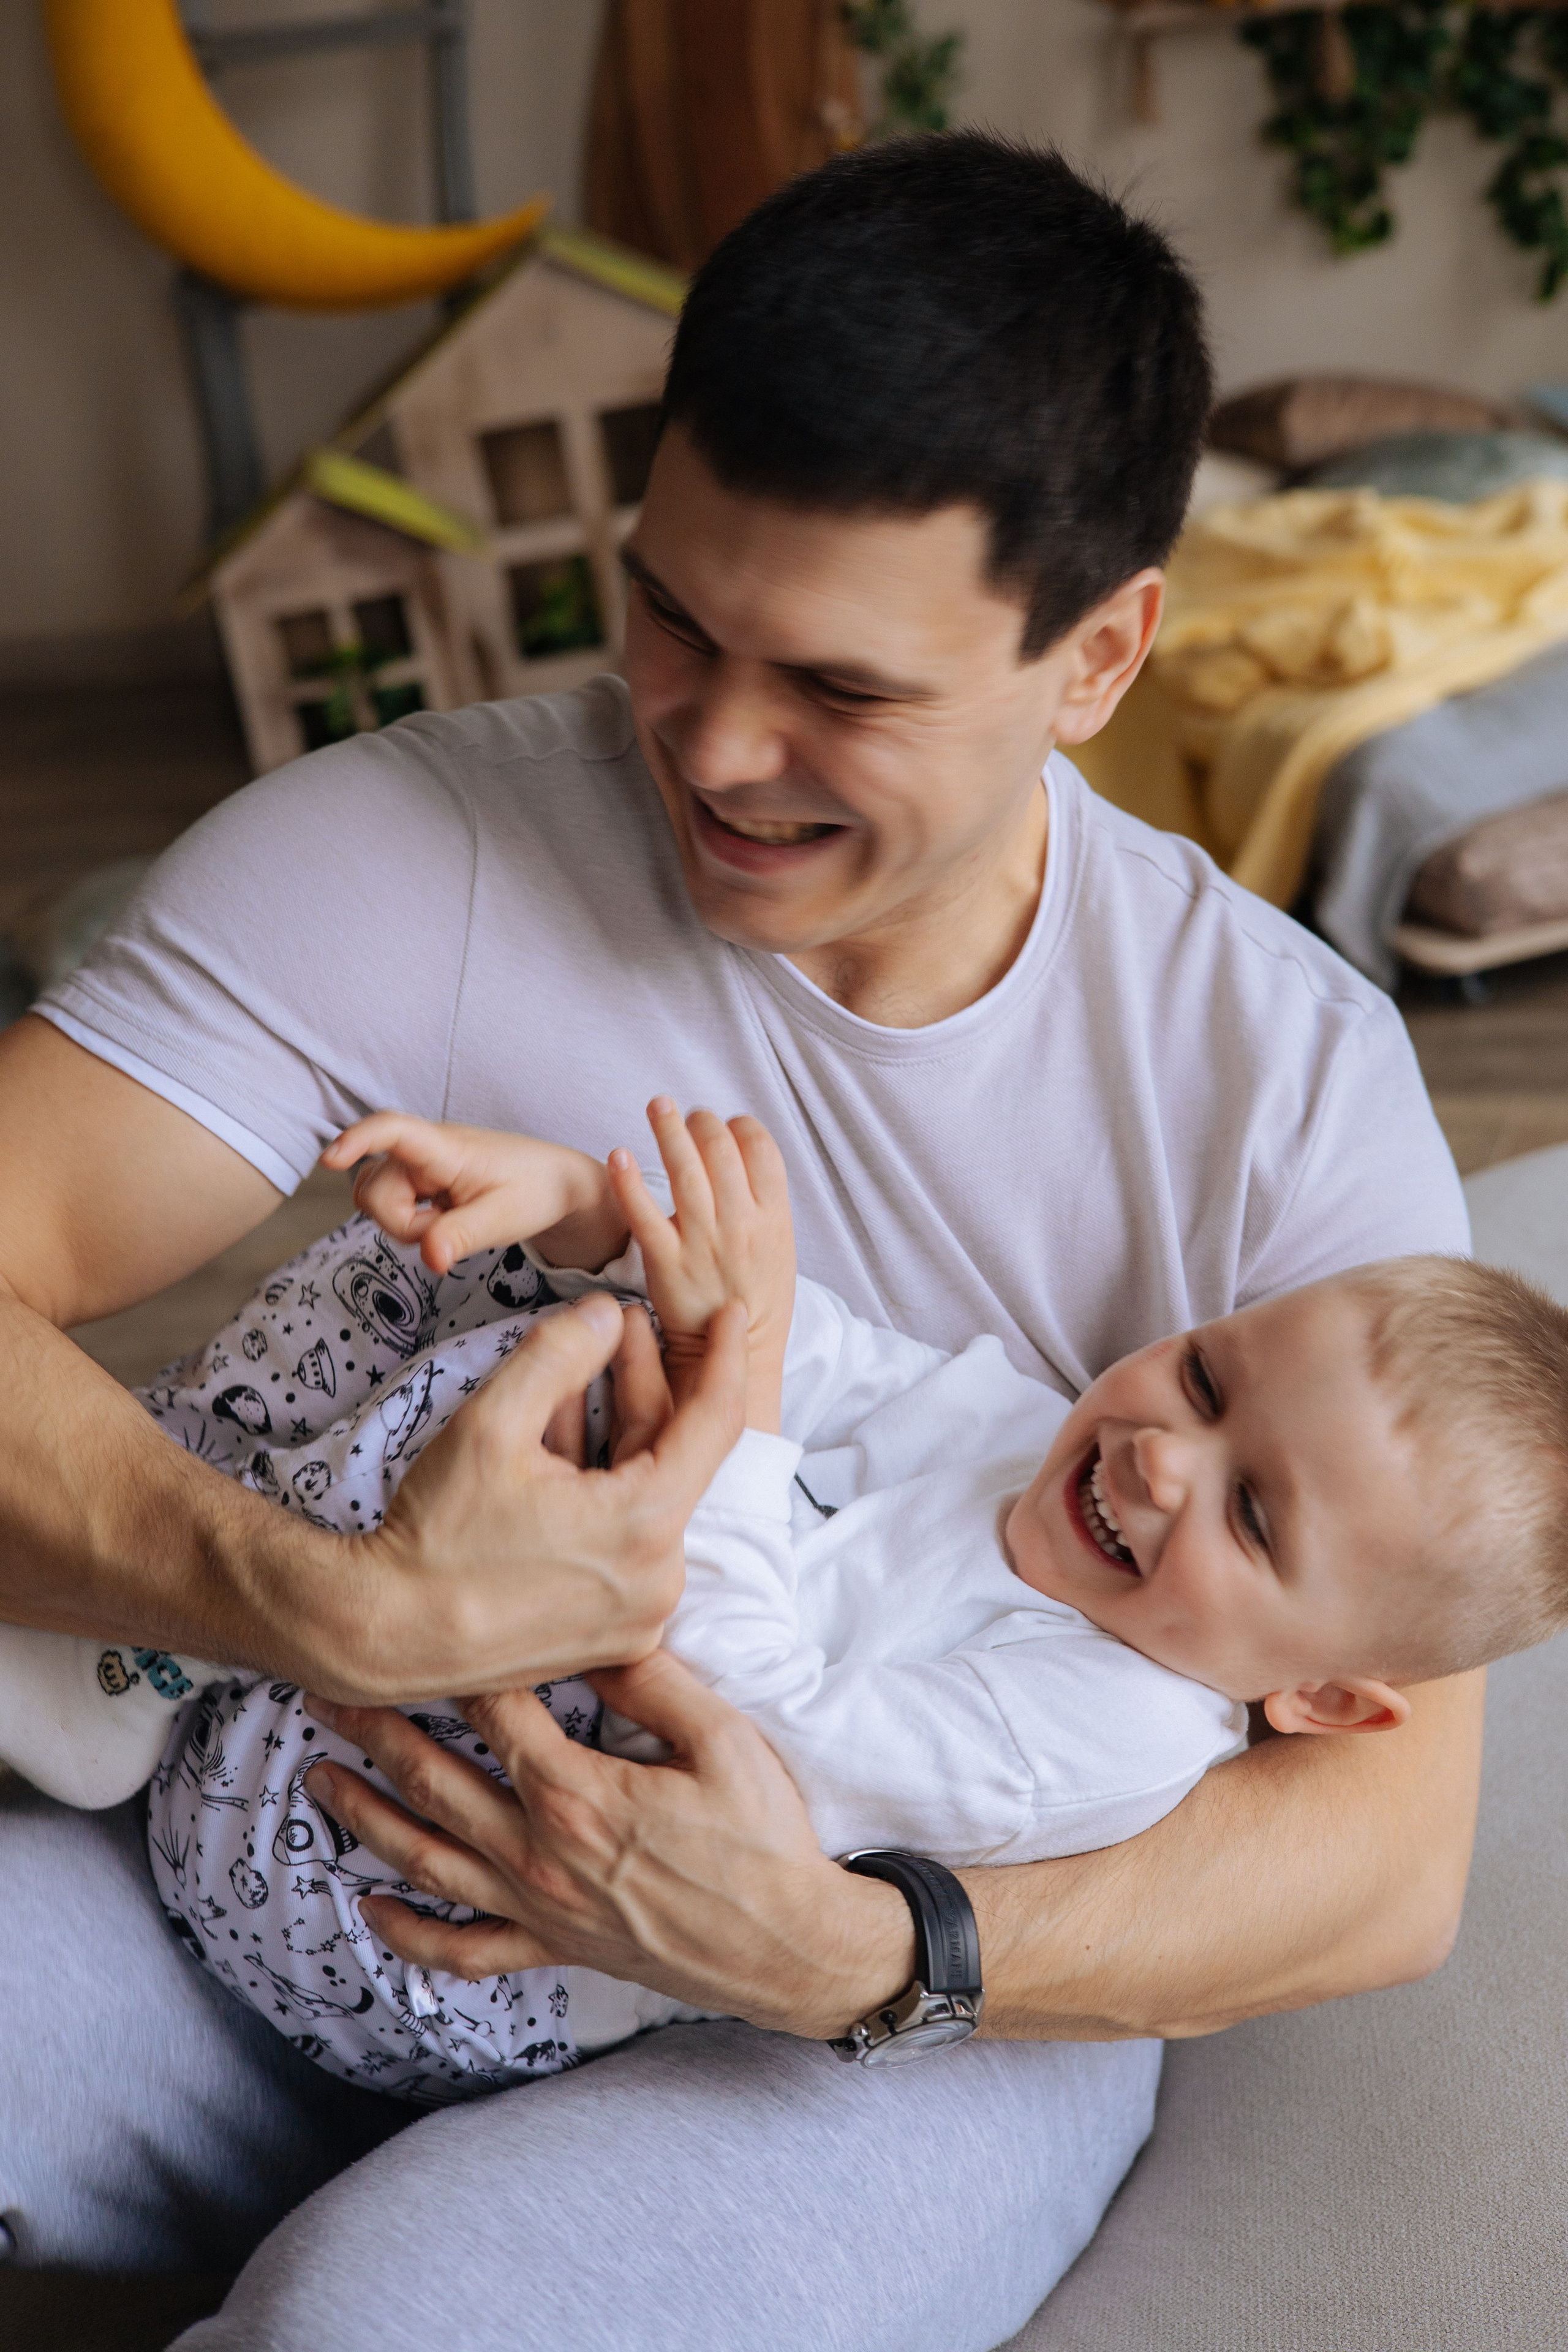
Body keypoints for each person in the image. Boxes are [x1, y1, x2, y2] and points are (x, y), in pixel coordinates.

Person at [0, 134, 1478, 2352]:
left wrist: (850, 1950)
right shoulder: (406, 847)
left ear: (1100, 656)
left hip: (847, 2020)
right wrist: (331, 1600)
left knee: (381, 2329)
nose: (711, 737)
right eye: (674, 612)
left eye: (845, 692)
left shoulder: (1282, 1082)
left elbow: (1388, 1849)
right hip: (268, 1816)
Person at [7, 1098, 1556, 2121]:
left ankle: (151, 1658)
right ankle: (168, 1525)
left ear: (1323, 1702)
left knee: (559, 1413)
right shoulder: (1028, 1429)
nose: (1160, 1456)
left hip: (409, 1920)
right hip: (395, 1725)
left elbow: (750, 1729)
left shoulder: (1105, 1732)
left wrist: (718, 1418)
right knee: (553, 1316)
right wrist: (587, 1226)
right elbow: (791, 1350)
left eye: (1251, 1513)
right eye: (1209, 1377)